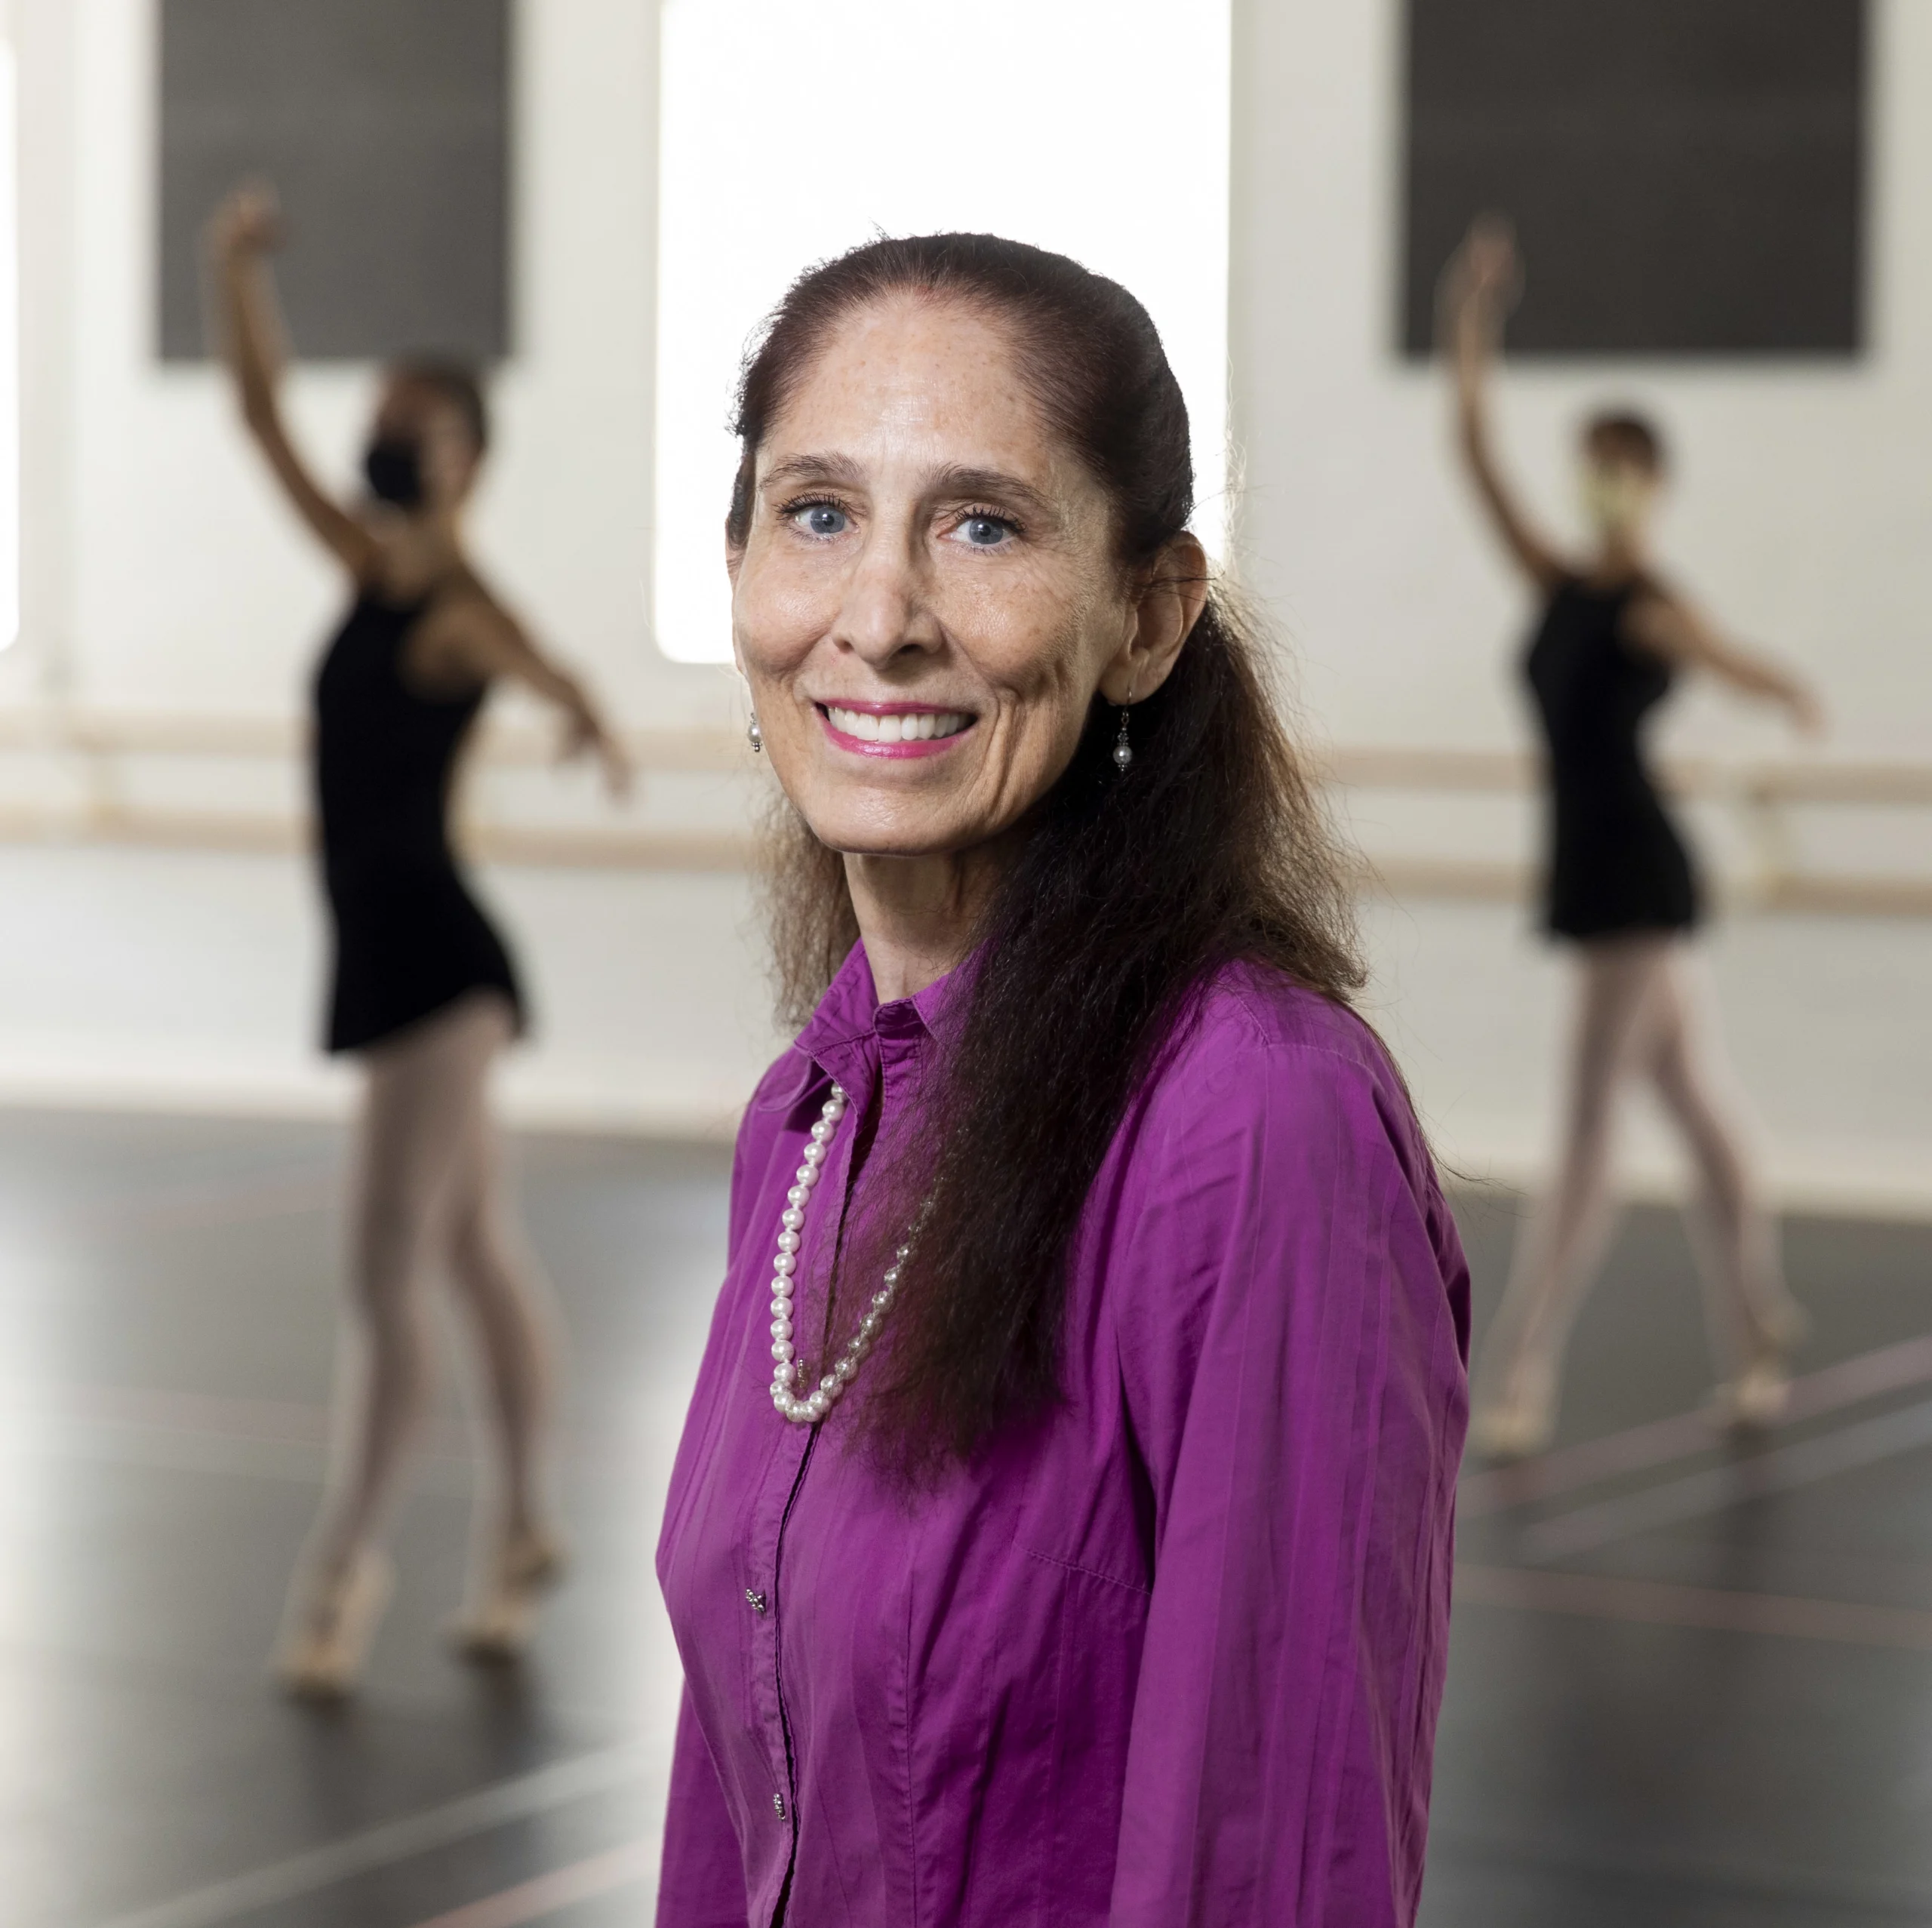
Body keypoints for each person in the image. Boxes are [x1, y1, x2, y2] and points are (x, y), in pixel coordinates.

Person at [654, 234, 1469, 1927]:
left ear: (1146, 617)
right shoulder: (801, 1129)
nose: (876, 617)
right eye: (815, 513)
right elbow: (726, 1827)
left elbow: (1277, 1861)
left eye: (981, 525)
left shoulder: (1252, 1124)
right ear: (738, 568)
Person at [208, 184, 630, 1696]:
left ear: (462, 454)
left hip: (438, 969)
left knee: (385, 1271)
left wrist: (583, 709)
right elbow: (260, 417)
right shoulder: (371, 563)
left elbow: (538, 658)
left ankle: (339, 1578)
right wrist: (233, 270)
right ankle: (521, 1525)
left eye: (407, 420)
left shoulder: (448, 598)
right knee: (464, 1245)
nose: (376, 435)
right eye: (375, 413)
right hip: (398, 959)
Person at [1443, 217, 1823, 1459]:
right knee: (1697, 1110)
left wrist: (1787, 695)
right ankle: (1762, 1322)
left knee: (1592, 1127)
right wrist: (1471, 315)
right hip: (1599, 875)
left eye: (1622, 462)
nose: (1601, 477)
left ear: (1649, 482)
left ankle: (1523, 1369)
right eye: (1592, 458)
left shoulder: (1651, 608)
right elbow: (1473, 445)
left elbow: (1723, 655)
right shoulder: (1558, 581)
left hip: (1638, 881)